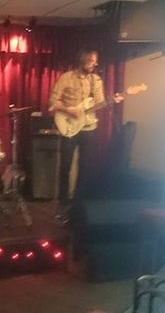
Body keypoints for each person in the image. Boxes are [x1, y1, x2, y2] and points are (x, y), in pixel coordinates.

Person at [49, 50, 121, 218]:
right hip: (68, 124)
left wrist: (112, 100)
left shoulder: (96, 80)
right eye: (90, 60)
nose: (93, 64)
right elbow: (52, 101)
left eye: (95, 61)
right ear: (81, 59)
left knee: (85, 166)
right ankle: (63, 202)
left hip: (89, 127)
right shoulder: (66, 77)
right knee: (65, 165)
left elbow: (100, 103)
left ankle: (78, 204)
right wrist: (69, 110)